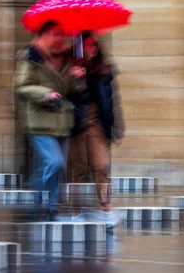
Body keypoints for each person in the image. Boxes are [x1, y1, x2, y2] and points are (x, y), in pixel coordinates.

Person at [15, 20, 85, 221]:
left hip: (62, 122)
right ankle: (39, 198)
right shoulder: (31, 56)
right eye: (55, 34)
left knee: (56, 166)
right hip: (40, 122)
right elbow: (23, 86)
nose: (60, 38)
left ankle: (51, 209)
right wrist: (45, 94)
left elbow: (72, 91)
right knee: (54, 162)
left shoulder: (65, 59)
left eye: (61, 34)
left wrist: (77, 78)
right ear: (43, 34)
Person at [69, 31, 125, 227]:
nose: (91, 49)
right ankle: (76, 210)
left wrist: (118, 128)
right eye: (87, 45)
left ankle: (106, 208)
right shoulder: (71, 66)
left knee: (101, 167)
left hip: (97, 124)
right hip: (77, 125)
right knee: (79, 170)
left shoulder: (104, 69)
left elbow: (112, 100)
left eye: (93, 45)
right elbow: (63, 93)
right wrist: (74, 79)